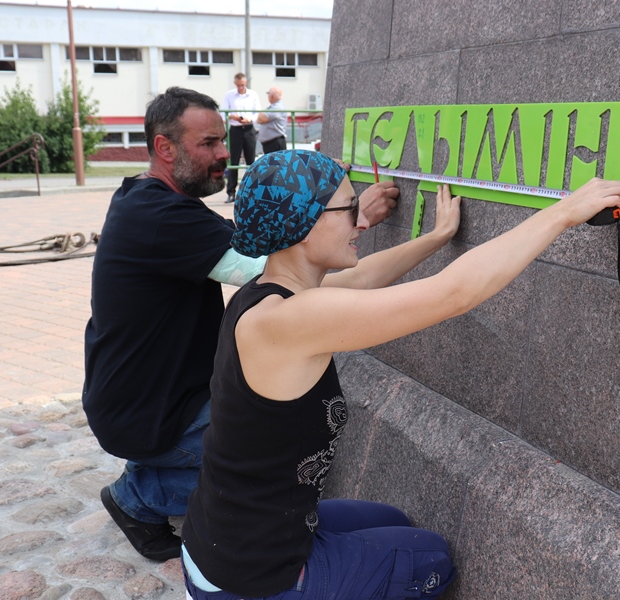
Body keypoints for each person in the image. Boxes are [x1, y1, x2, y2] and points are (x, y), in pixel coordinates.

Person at [180, 149, 620, 599]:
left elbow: (361, 280)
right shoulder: (289, 321)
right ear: (305, 223)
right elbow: (453, 295)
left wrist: (438, 237)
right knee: (431, 558)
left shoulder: (266, 292)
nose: (362, 222)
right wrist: (565, 213)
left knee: (393, 522)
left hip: (226, 537)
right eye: (350, 208)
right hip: (247, 578)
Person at [83, 88, 399, 563]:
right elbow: (275, 269)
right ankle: (139, 496)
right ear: (165, 148)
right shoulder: (160, 217)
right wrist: (347, 216)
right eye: (208, 143)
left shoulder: (148, 201)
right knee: (278, 452)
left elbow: (261, 241)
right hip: (146, 412)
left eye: (222, 141)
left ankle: (153, 470)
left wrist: (334, 212)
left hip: (146, 396)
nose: (224, 153)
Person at [220, 73, 260, 203]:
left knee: (251, 162)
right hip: (235, 130)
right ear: (235, 84)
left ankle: (252, 192)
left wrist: (249, 119)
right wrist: (232, 116)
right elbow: (222, 112)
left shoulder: (253, 94)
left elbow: (258, 113)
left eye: (242, 85)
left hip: (249, 129)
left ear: (246, 83)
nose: (240, 88)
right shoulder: (229, 95)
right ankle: (231, 192)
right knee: (233, 161)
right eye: (238, 85)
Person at [256, 86, 287, 154]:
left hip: (274, 143)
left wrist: (261, 113)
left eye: (268, 94)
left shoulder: (277, 107)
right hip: (272, 143)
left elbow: (261, 119)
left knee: (275, 164)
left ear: (272, 96)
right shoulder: (275, 106)